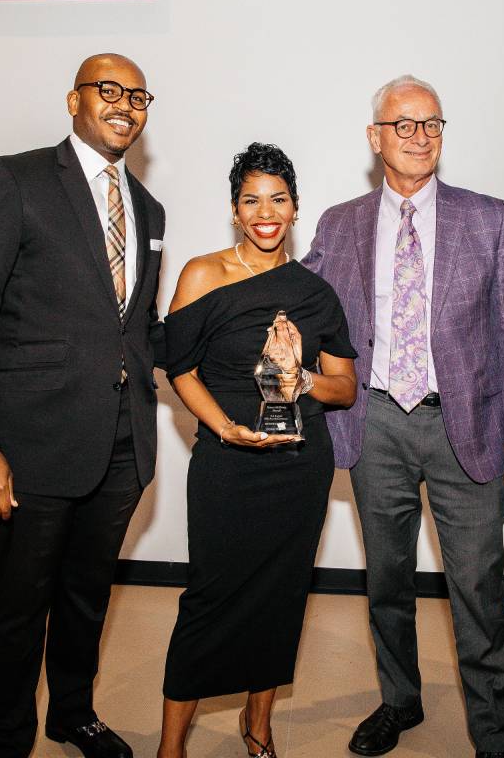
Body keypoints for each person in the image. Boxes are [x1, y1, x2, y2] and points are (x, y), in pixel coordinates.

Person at [0, 53, 165, 758]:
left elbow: (139, 328)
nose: (124, 103)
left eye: (138, 94)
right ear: (75, 100)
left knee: (86, 597)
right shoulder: (16, 178)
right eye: (108, 89)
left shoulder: (149, 209)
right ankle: (6, 742)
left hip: (123, 442)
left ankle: (72, 712)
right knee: (17, 608)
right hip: (31, 445)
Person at [302, 75, 504, 758]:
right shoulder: (339, 222)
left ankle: (494, 737)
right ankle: (399, 702)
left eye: (431, 124)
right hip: (375, 425)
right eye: (403, 124)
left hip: (467, 428)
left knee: (479, 591)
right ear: (375, 137)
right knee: (387, 582)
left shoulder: (487, 217)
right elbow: (308, 305)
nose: (420, 136)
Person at [157, 143, 358, 758]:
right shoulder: (201, 274)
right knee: (208, 599)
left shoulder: (316, 293)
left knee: (281, 595)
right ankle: (171, 747)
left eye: (278, 199)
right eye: (252, 200)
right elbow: (180, 369)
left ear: (296, 209)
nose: (265, 212)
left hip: (298, 468)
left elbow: (344, 387)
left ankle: (259, 724)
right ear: (235, 211)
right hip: (227, 463)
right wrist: (224, 428)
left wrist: (302, 378)